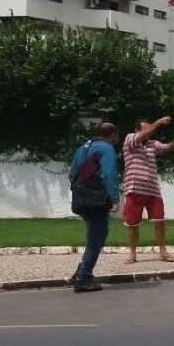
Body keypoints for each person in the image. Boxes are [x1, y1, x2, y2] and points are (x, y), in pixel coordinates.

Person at [122, 115, 174, 263]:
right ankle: (132, 254)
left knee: (160, 221)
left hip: (153, 190)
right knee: (132, 224)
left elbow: (165, 148)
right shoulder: (130, 139)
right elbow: (141, 135)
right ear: (137, 130)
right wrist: (157, 122)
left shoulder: (152, 144)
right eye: (145, 130)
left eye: (149, 130)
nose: (148, 133)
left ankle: (163, 252)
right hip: (134, 188)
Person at [68, 122, 120, 293]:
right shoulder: (106, 149)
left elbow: (72, 173)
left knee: (93, 236)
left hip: (80, 197)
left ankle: (80, 272)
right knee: (97, 238)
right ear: (112, 135)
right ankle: (83, 278)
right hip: (96, 199)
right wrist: (114, 198)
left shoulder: (83, 148)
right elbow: (109, 174)